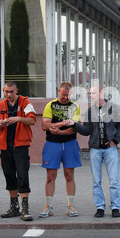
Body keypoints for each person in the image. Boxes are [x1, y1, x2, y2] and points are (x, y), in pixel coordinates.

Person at [65, 85, 120, 218]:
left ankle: (115, 207)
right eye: (90, 93)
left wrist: (115, 141)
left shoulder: (113, 108)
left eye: (93, 93)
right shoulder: (90, 111)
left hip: (110, 149)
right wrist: (74, 125)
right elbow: (87, 131)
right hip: (95, 150)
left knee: (114, 180)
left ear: (101, 93)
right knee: (96, 181)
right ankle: (100, 207)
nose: (91, 95)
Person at [0, 81, 36, 221]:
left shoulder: (25, 102)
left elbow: (32, 120)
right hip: (5, 145)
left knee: (22, 174)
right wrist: (0, 123)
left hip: (21, 144)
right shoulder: (1, 105)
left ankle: (25, 208)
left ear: (16, 90)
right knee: (9, 174)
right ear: (3, 91)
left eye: (12, 91)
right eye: (6, 92)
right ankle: (14, 207)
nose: (9, 94)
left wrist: (18, 118)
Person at [40, 82, 82, 218]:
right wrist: (62, 123)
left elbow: (74, 127)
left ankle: (71, 206)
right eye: (63, 94)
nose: (65, 97)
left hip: (70, 143)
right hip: (52, 144)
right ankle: (48, 207)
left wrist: (59, 132)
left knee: (69, 176)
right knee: (51, 177)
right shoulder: (50, 105)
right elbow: (44, 125)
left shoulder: (75, 107)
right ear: (58, 91)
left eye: (68, 95)